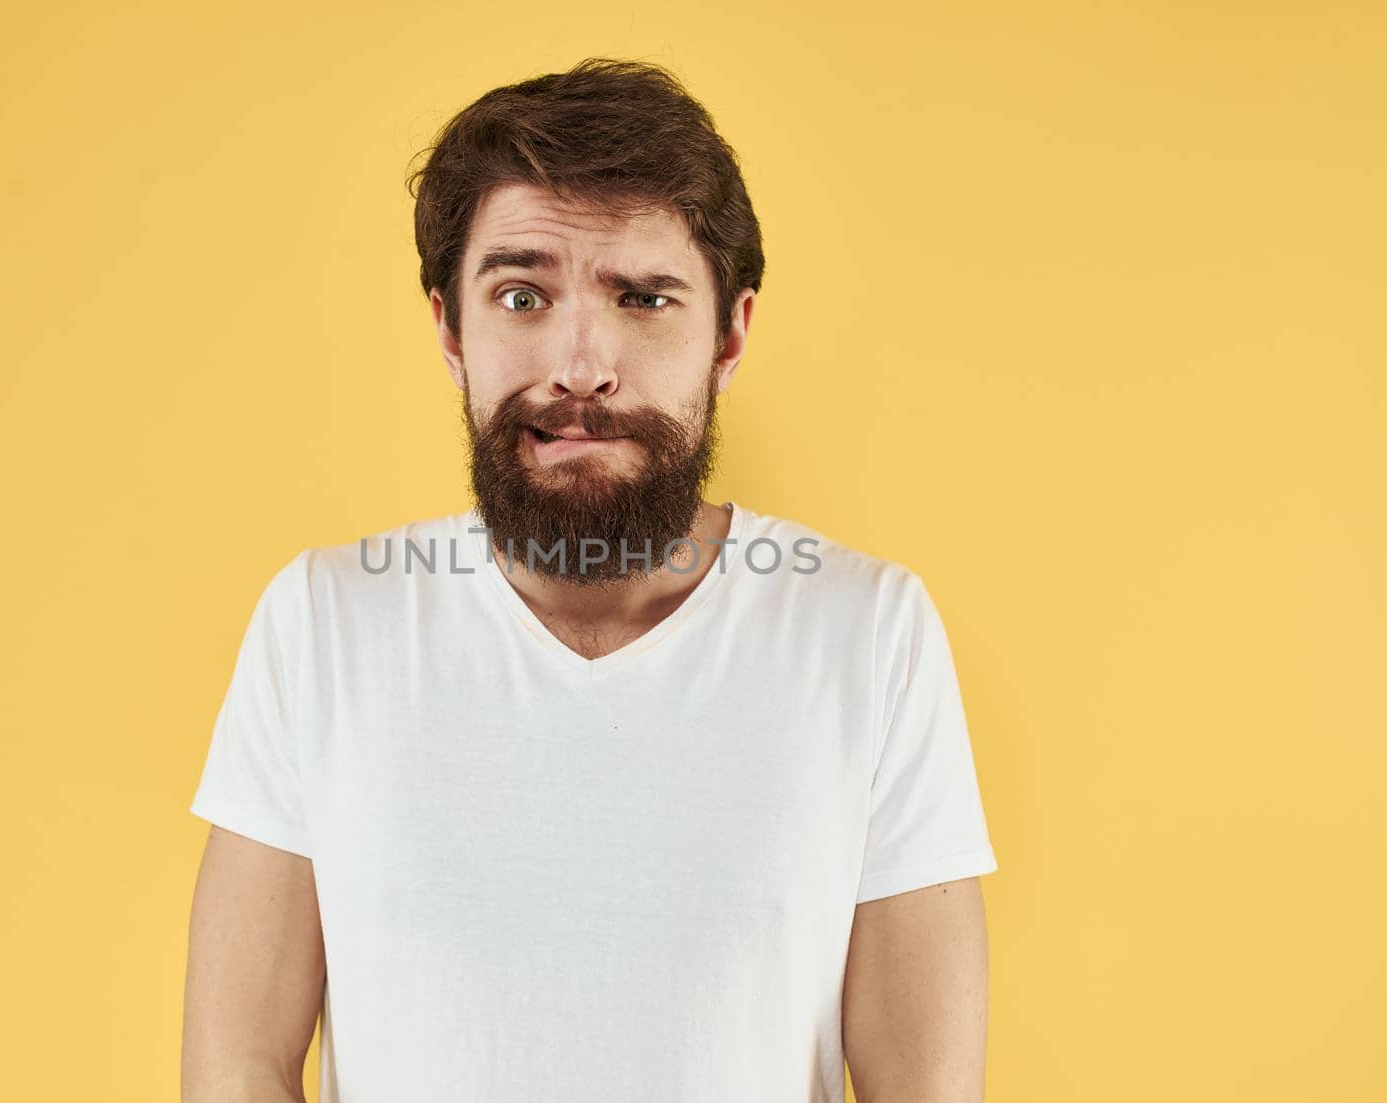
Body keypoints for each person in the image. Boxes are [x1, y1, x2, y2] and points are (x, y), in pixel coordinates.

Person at [182, 57, 998, 1103]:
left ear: (729, 334)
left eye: (644, 296)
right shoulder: (324, 622)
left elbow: (923, 1086)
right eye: (522, 293)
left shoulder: (868, 632)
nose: (581, 364)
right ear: (449, 327)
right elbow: (238, 1064)